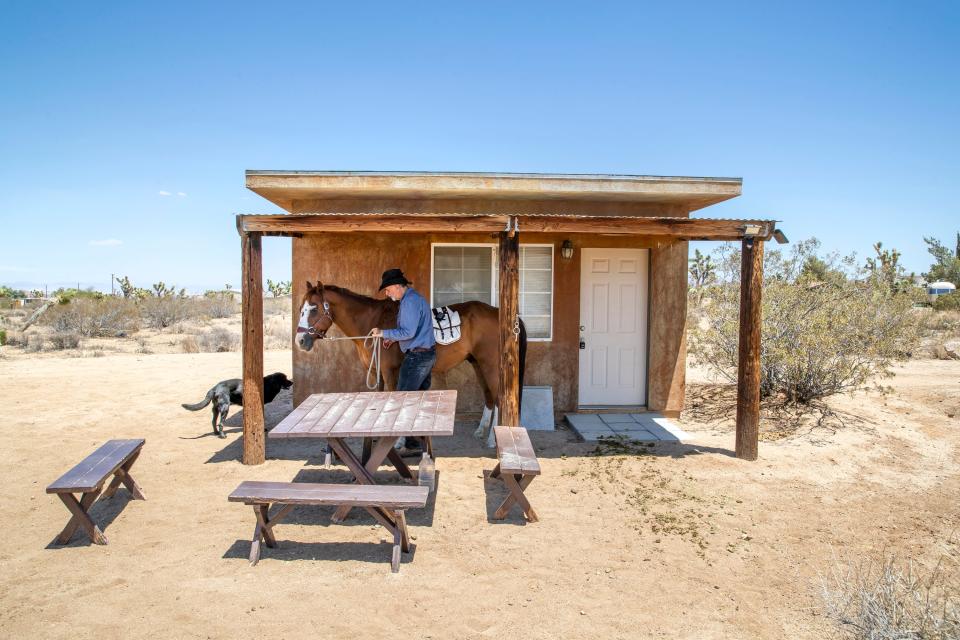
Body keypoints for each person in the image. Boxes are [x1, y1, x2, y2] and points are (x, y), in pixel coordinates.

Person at [370, 268, 436, 454]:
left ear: (398, 286)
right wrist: (393, 338)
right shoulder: (412, 299)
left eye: (388, 289)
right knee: (416, 400)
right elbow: (410, 331)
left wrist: (384, 333)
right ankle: (414, 443)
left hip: (418, 357)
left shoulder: (409, 303)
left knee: (403, 399)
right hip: (425, 354)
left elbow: (408, 332)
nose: (386, 293)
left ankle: (398, 444)